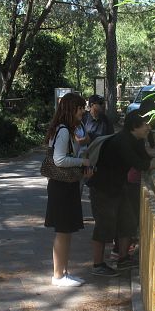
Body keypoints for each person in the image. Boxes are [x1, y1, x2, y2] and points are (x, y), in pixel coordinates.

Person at [87, 110, 155, 276]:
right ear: (135, 127)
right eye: (145, 125)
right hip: (103, 188)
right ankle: (98, 264)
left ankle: (123, 258)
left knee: (128, 221)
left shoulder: (136, 140)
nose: (149, 128)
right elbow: (139, 164)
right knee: (104, 226)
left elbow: (145, 158)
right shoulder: (123, 141)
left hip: (119, 186)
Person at [44, 93, 93, 287]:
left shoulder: (64, 129)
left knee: (67, 230)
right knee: (63, 231)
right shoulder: (63, 130)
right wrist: (83, 161)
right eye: (80, 108)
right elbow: (59, 160)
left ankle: (64, 272)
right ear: (70, 109)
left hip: (66, 185)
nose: (83, 111)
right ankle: (58, 276)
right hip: (61, 187)